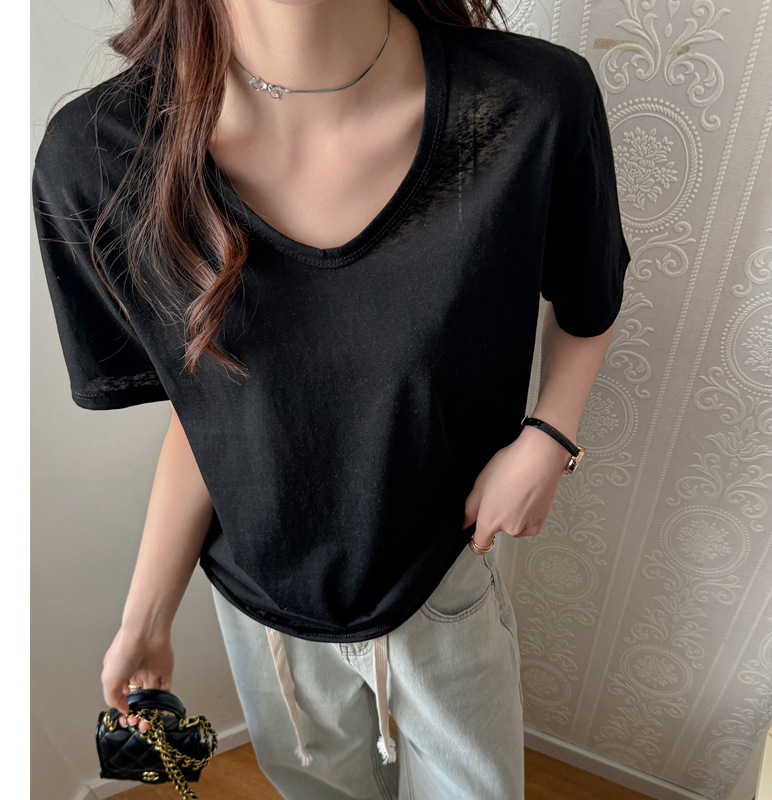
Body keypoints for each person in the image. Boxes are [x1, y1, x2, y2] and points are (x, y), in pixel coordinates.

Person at [32, 0, 630, 797]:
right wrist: (145, 617)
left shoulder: (530, 105)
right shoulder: (100, 157)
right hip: (262, 613)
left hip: (443, 578)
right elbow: (211, 413)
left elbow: (590, 297)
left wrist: (549, 437)